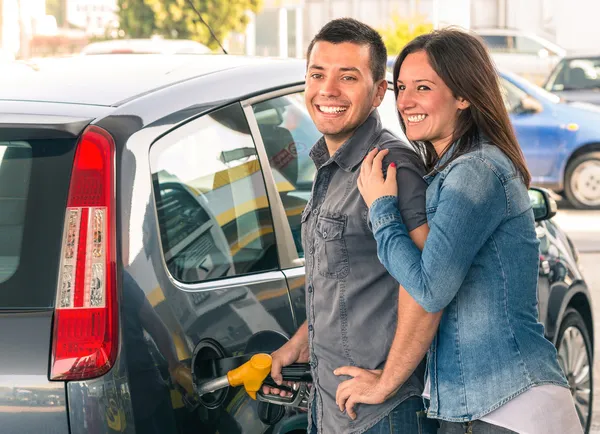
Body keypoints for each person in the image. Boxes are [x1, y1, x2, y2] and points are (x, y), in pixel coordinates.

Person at [340, 28, 582, 434]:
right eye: (401, 88)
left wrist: (382, 209)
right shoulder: (450, 172)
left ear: (464, 95)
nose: (405, 102)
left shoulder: (476, 172)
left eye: (423, 87)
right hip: (474, 409)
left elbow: (430, 289)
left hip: (510, 408)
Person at [263, 18, 440, 434]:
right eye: (317, 75)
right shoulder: (330, 164)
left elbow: (429, 287)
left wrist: (388, 382)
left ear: (379, 92)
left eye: (348, 77)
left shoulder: (393, 167)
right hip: (330, 411)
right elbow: (347, 281)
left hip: (382, 416)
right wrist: (302, 340)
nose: (328, 90)